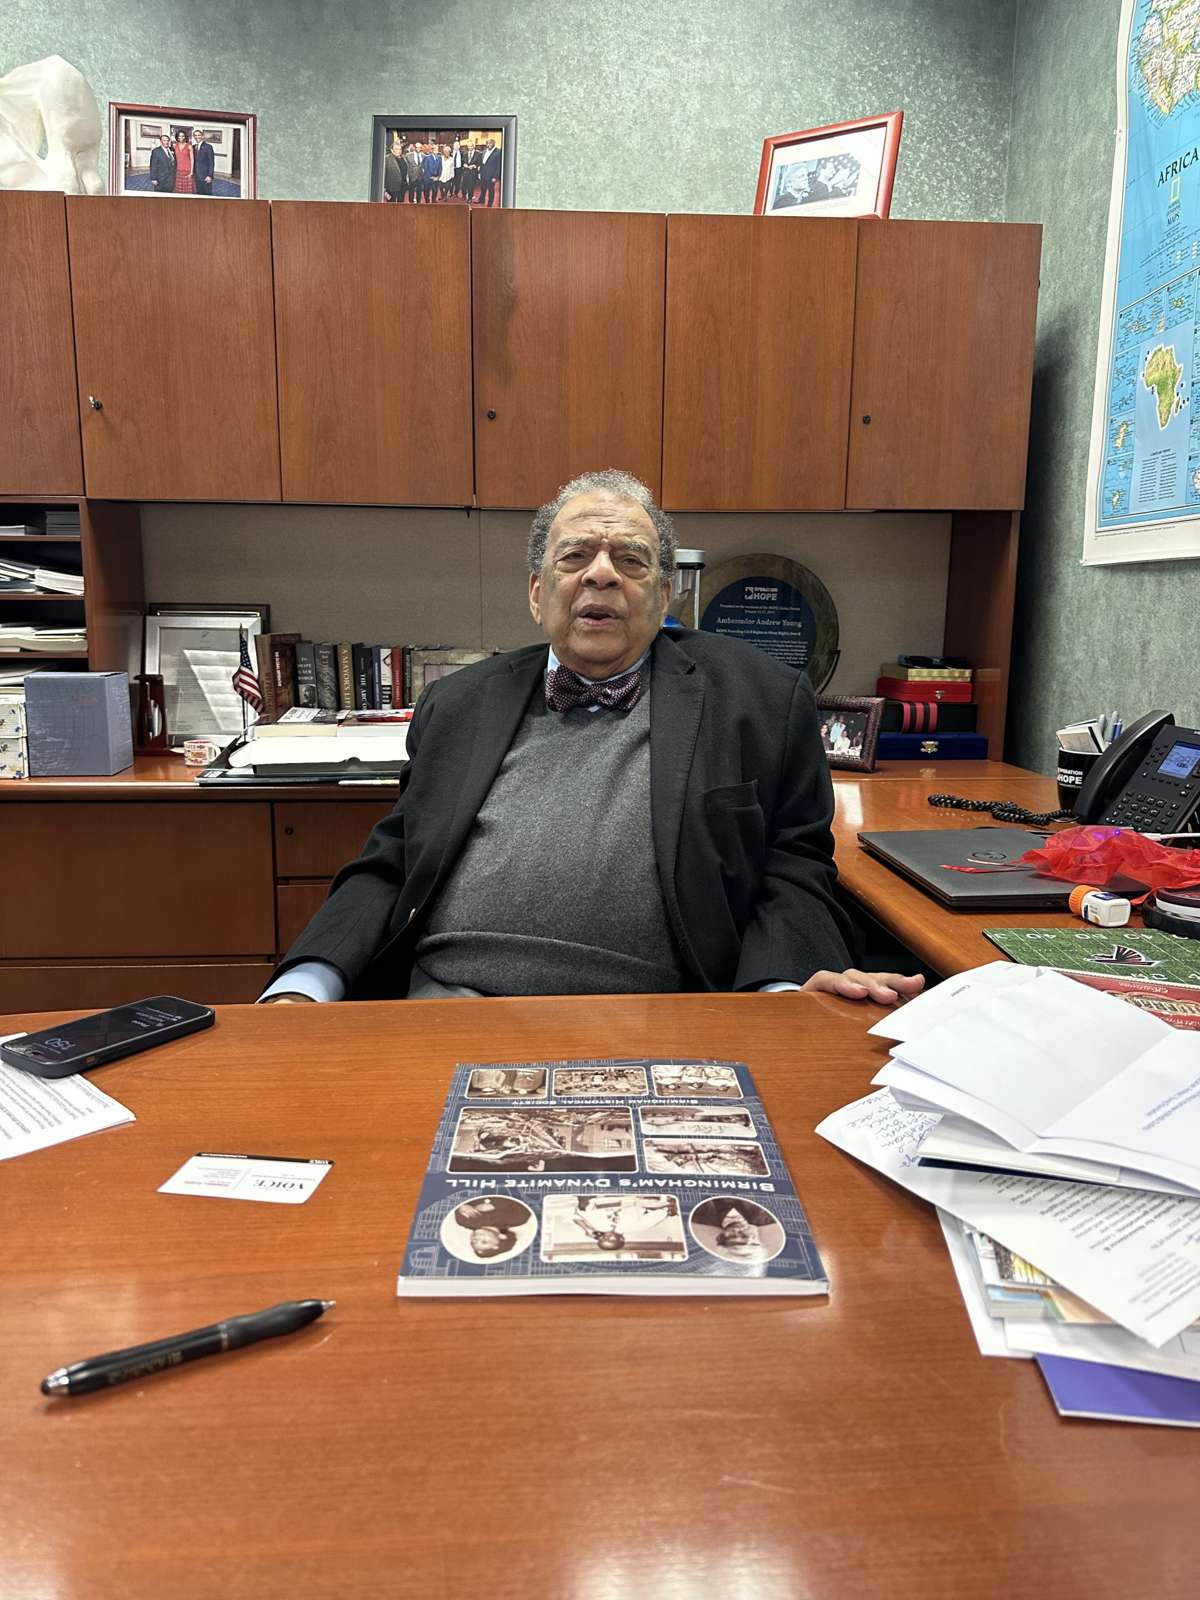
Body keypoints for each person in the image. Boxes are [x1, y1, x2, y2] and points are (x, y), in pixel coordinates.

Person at [260, 469, 923, 1008]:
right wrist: (303, 987)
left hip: (671, 1014)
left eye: (630, 560)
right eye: (574, 556)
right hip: (451, 1005)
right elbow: (393, 864)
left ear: (663, 597)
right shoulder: (458, 704)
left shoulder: (760, 700)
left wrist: (782, 991)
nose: (601, 574)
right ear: (536, 592)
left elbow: (795, 867)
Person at [453, 1195, 530, 1258]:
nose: (476, 1238)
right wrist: (494, 1205)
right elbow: (526, 1200)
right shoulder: (518, 1218)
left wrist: (462, 1206)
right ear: (502, 1237)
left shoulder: (464, 1221)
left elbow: (457, 1198)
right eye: (484, 1242)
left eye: (473, 1242)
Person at [383, 132, 406, 202]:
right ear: (392, 150)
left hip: (402, 187)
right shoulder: (386, 159)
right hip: (391, 189)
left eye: (400, 149)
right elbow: (383, 175)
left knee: (400, 204)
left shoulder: (403, 158)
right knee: (391, 206)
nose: (399, 151)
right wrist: (384, 190)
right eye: (396, 149)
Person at [478, 138, 502, 206]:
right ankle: (481, 200)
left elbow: (499, 165)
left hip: (491, 175)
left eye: (490, 143)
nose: (488, 145)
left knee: (491, 190)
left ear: (494, 143)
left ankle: (489, 204)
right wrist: (479, 172)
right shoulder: (484, 151)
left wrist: (496, 177)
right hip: (483, 173)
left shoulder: (498, 152)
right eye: (487, 143)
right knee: (483, 188)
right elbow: (482, 163)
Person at [192, 128, 215, 196]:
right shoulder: (193, 147)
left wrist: (210, 175)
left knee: (207, 194)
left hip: (205, 176)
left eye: (199, 135)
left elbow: (211, 163)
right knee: (199, 192)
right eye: (195, 135)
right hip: (196, 175)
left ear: (202, 136)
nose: (197, 137)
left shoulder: (208, 147)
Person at [173, 128, 194, 194]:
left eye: (183, 136)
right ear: (177, 137)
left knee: (187, 190)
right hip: (178, 170)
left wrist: (191, 172)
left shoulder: (189, 146)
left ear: (185, 137)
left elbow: (192, 159)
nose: (181, 137)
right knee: (179, 189)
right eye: (179, 136)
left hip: (187, 170)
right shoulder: (174, 145)